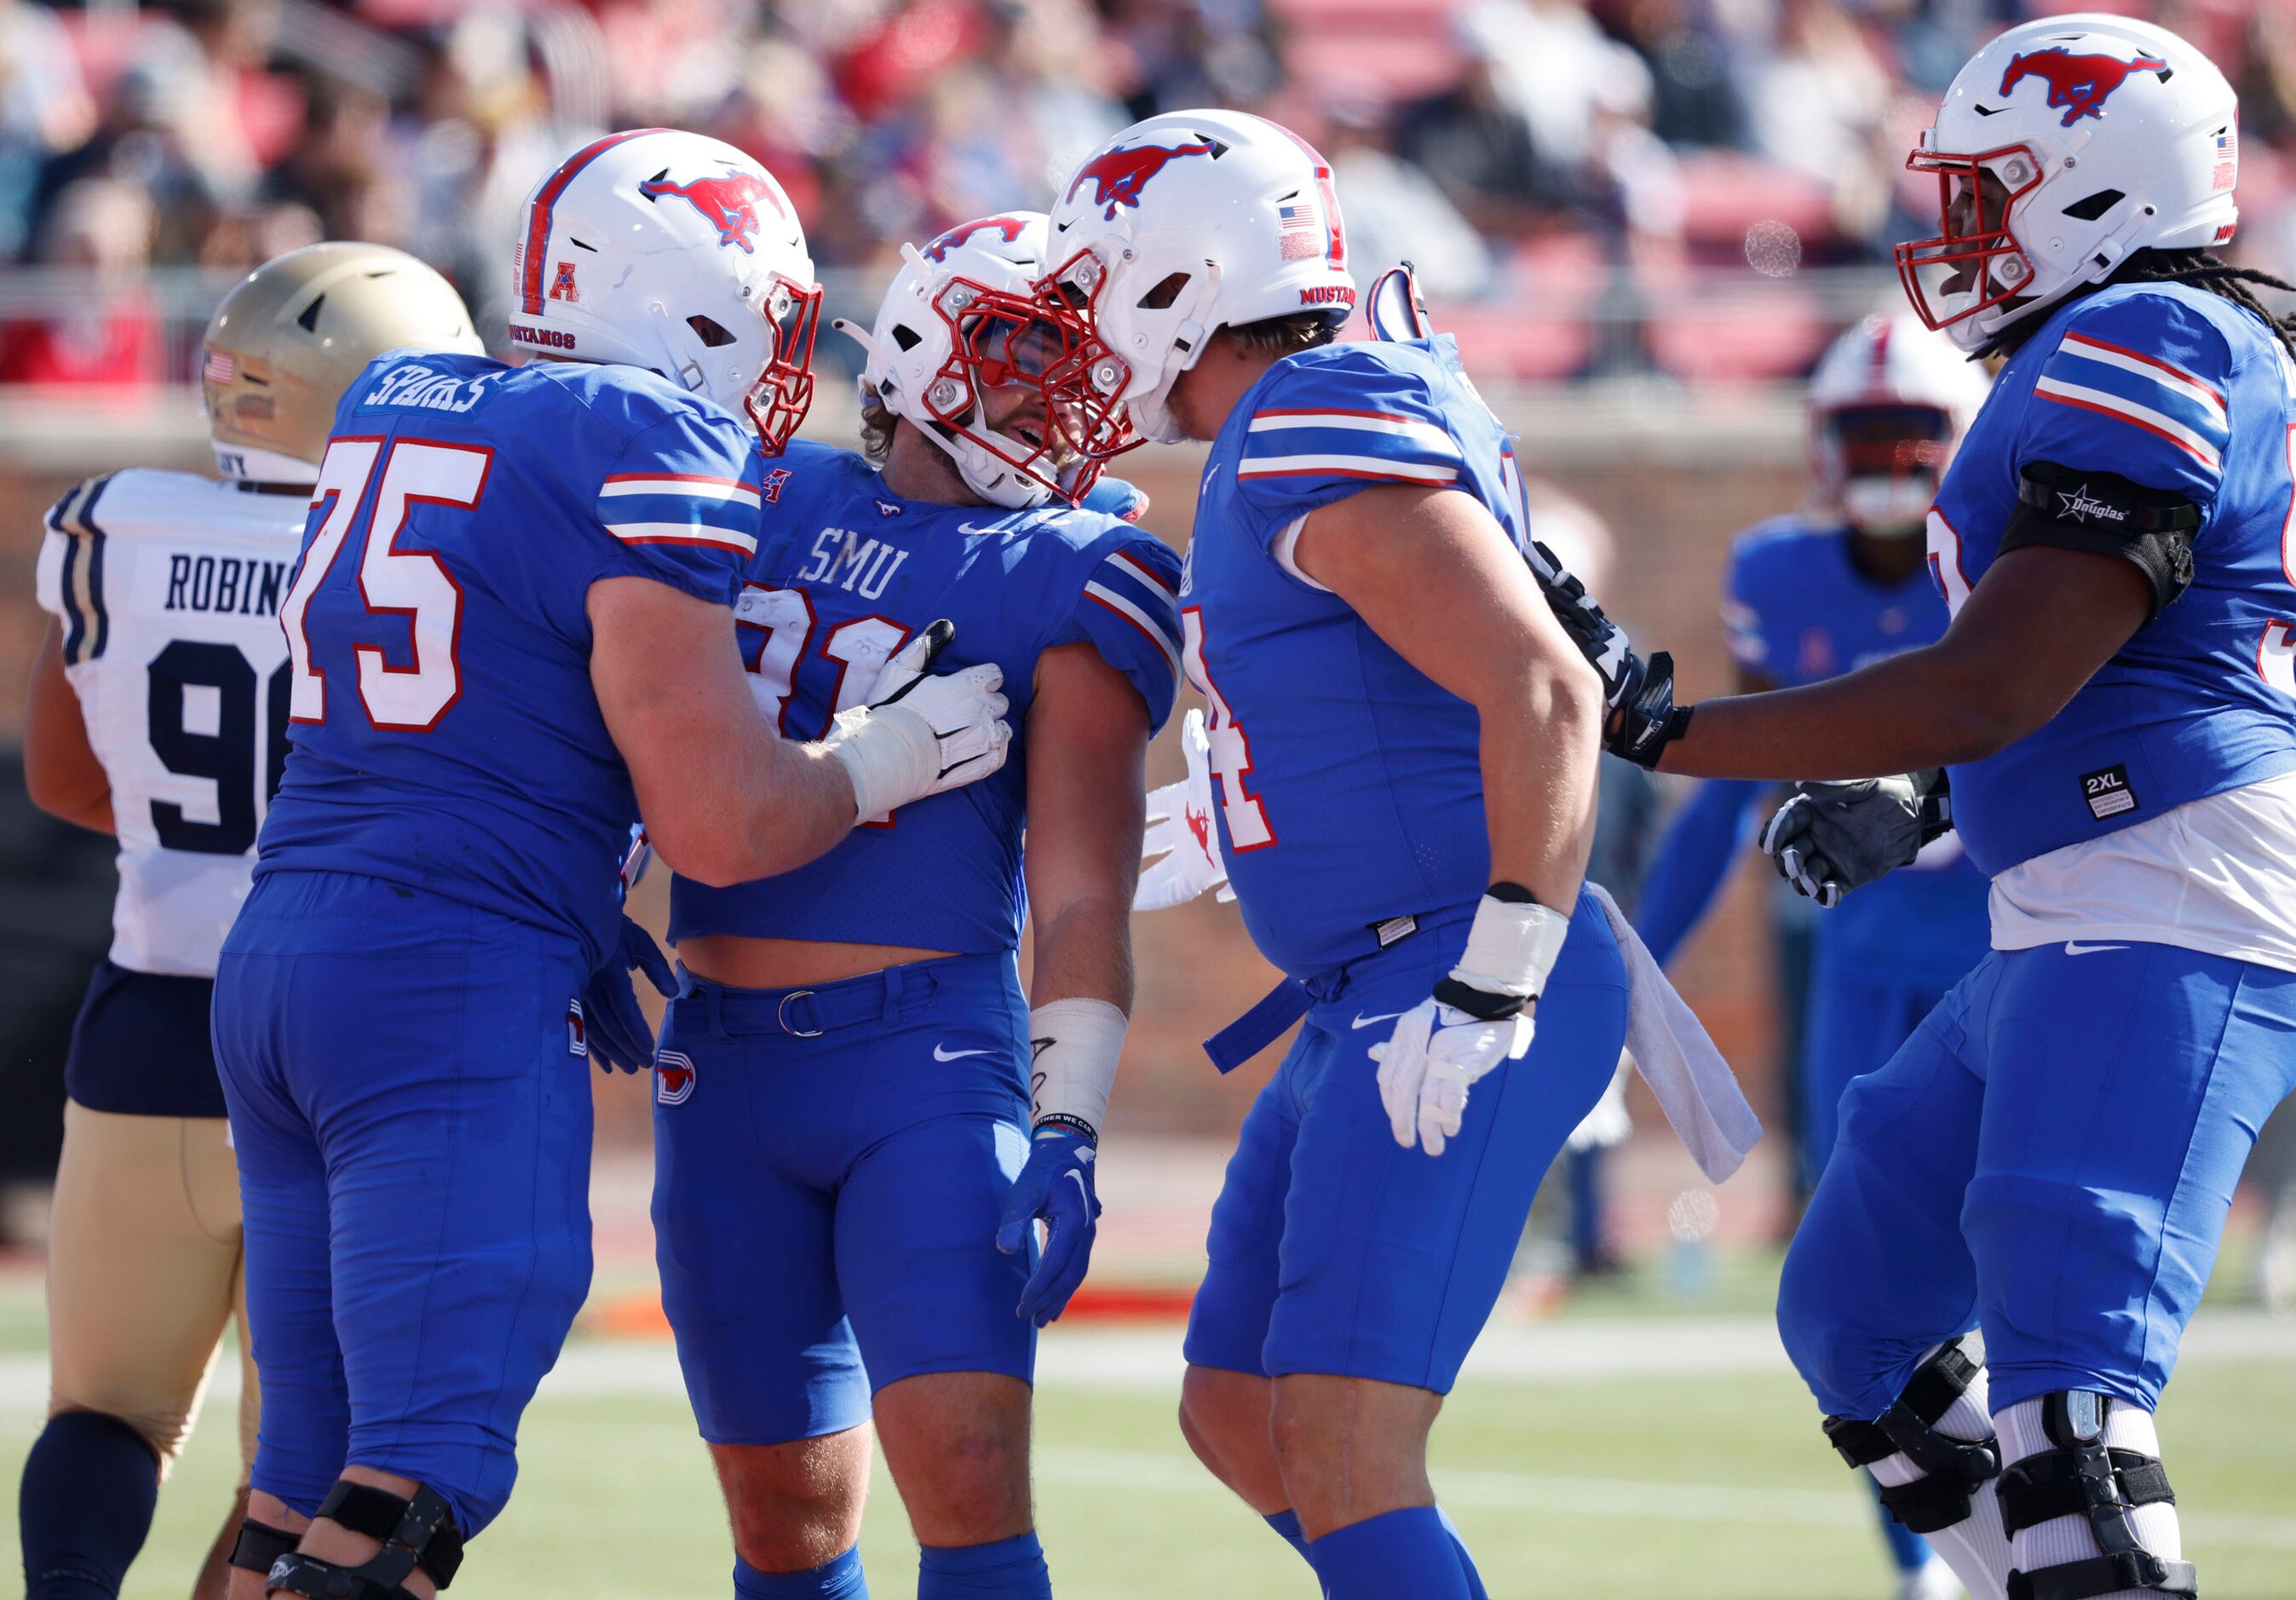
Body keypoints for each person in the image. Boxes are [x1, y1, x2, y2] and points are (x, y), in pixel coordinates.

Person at [1593, 18, 2296, 1599]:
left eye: (1999, 189)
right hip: (2075, 900)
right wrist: (1926, 785)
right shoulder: (2116, 339)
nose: (1965, 228)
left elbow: (1993, 680)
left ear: (2099, 187)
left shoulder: (2149, 336)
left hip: (2179, 899)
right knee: (1855, 1318)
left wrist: (1668, 732)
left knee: (2068, 1415)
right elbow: (2045, 675)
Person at [210, 129, 1014, 1600]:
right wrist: (890, 755)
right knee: (411, 1488)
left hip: (282, 951)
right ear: (685, 303)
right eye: (765, 317)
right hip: (440, 975)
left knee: (295, 1476)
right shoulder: (643, 439)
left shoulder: (404, 394)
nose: (782, 363)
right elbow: (724, 822)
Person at [1037, 110, 1705, 1600]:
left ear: (1188, 277)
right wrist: (1240, 810)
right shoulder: (1293, 424)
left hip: (1448, 972)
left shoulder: (1311, 414)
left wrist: (1498, 976)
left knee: (1342, 1439)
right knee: (1239, 1410)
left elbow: (1542, 687)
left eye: (1103, 283)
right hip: (1371, 980)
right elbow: (1391, 689)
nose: (1086, 323)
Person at [650, 213, 1181, 1600]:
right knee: (782, 1515)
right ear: (920, 338)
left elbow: (1079, 893)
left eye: (1079, 366)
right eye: (1022, 350)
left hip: (924, 1059)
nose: (1055, 394)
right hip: (724, 1058)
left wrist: (1067, 1118)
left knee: (963, 1471)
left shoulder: (1076, 565)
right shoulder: (750, 490)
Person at [20, 241, 480, 1600]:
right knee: (305, 1461)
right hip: (342, 1044)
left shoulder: (120, 521)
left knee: (106, 1409)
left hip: (150, 1023)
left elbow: (61, 775)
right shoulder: (430, 555)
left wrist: (197, 832)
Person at [1634, 310, 1988, 1600]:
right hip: (1861, 961)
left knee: (2000, 1243)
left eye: (1916, 437)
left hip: (2005, 947)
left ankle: (2027, 1527)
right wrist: (1639, 961)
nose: (1891, 463)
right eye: (1867, 435)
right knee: (1855, 1267)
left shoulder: (2007, 559)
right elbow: (1729, 785)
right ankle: (1922, 1561)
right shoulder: (1779, 572)